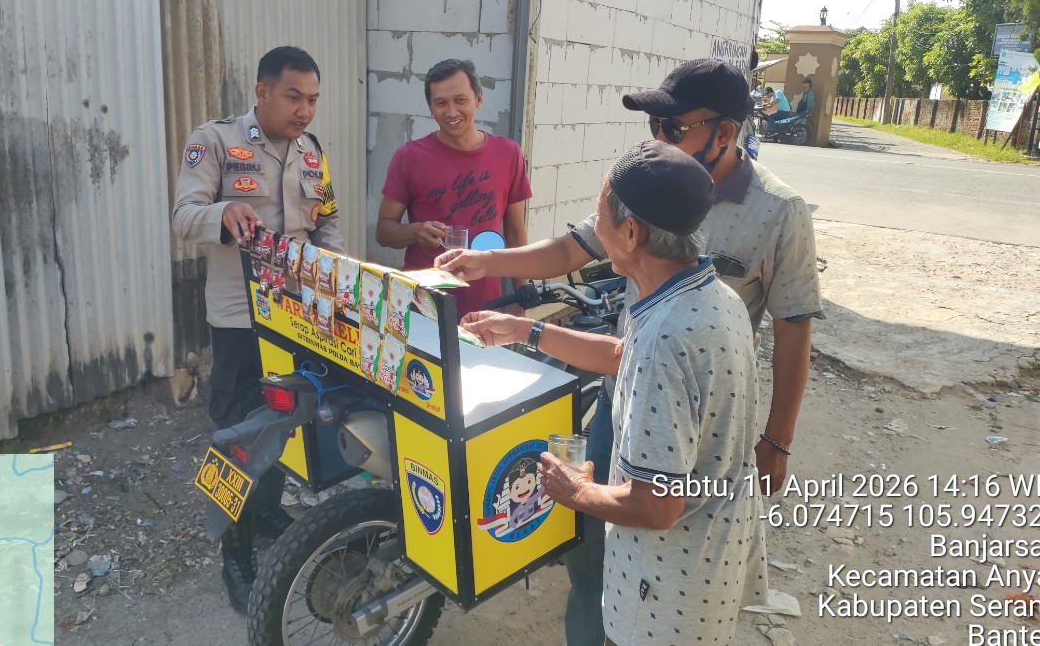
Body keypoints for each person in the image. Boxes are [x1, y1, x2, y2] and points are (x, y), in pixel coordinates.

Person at [438, 57, 822, 645]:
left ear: (724, 132)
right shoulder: (669, 221)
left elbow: (793, 332)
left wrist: (777, 439)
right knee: (597, 550)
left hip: (688, 406)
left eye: (673, 127)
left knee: (654, 529)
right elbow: (613, 328)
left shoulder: (774, 216)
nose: (660, 138)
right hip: (639, 386)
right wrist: (502, 290)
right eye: (655, 126)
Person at [534, 141, 768, 646]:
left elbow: (656, 506)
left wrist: (578, 491)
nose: (595, 228)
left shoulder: (665, 338)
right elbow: (626, 355)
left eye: (600, 214)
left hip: (665, 593)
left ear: (631, 232)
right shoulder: (710, 296)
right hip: (712, 562)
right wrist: (526, 331)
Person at [171, 45, 345, 613]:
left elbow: (327, 224)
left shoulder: (313, 153)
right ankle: (235, 554)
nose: (305, 110)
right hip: (240, 322)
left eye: (313, 99)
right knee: (238, 435)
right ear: (262, 92)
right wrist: (220, 212)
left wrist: (336, 284)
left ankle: (267, 509)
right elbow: (182, 215)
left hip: (298, 323)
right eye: (293, 96)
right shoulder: (216, 141)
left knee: (286, 423)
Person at [376, 58, 531, 317]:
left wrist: (523, 296)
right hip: (421, 306)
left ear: (478, 99)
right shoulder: (409, 157)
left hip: (485, 307)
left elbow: (515, 231)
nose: (451, 112)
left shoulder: (509, 154)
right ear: (430, 108)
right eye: (441, 103)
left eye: (460, 100)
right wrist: (414, 232)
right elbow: (383, 231)